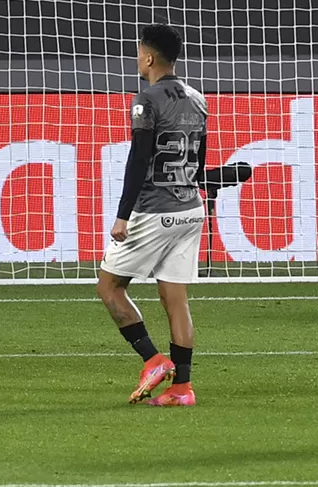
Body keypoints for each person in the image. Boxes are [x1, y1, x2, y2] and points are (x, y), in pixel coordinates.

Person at [96, 25, 208, 407]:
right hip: (191, 209)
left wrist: (123, 216)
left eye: (138, 53)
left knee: (109, 287)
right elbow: (200, 161)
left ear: (148, 57)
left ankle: (153, 360)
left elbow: (139, 159)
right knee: (175, 298)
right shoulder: (198, 99)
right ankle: (183, 388)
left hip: (155, 211)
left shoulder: (146, 99)